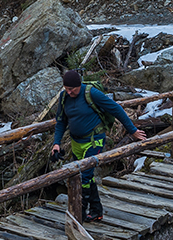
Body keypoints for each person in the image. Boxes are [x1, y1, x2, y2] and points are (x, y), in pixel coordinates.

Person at [51, 70, 146, 222]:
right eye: (66, 89)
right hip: (76, 143)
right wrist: (56, 143)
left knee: (85, 177)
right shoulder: (64, 97)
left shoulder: (91, 93)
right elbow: (61, 122)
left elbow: (116, 109)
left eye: (72, 89)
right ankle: (96, 211)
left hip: (94, 140)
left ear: (79, 85)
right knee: (83, 175)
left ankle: (79, 214)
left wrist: (132, 130)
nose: (69, 92)